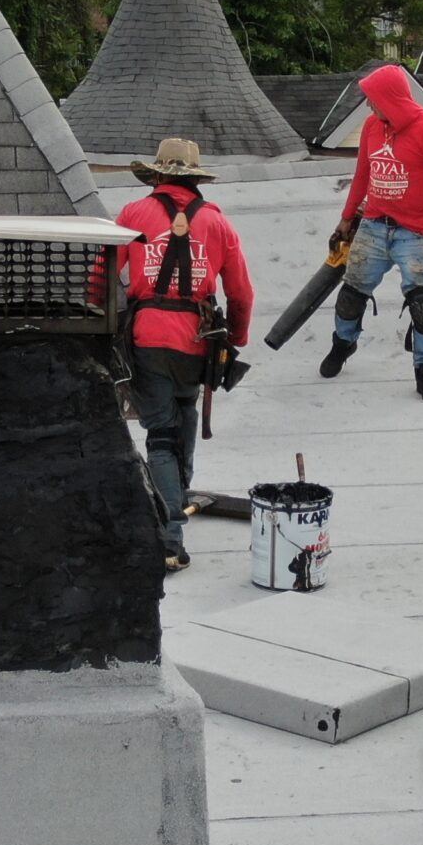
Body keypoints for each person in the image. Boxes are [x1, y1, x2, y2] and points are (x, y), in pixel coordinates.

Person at [113, 138, 254, 573]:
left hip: (148, 336)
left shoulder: (133, 214)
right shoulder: (216, 221)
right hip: (197, 339)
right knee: (184, 409)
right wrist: (240, 339)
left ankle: (170, 535)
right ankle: (179, 488)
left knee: (159, 435)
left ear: (157, 177)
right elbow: (241, 292)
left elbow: (101, 273)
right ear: (195, 179)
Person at [321, 64, 423, 402]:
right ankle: (343, 345)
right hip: (374, 223)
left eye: (373, 99)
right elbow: (362, 176)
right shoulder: (372, 126)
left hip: (415, 230)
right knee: (350, 294)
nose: (369, 106)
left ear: (391, 99)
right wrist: (346, 218)